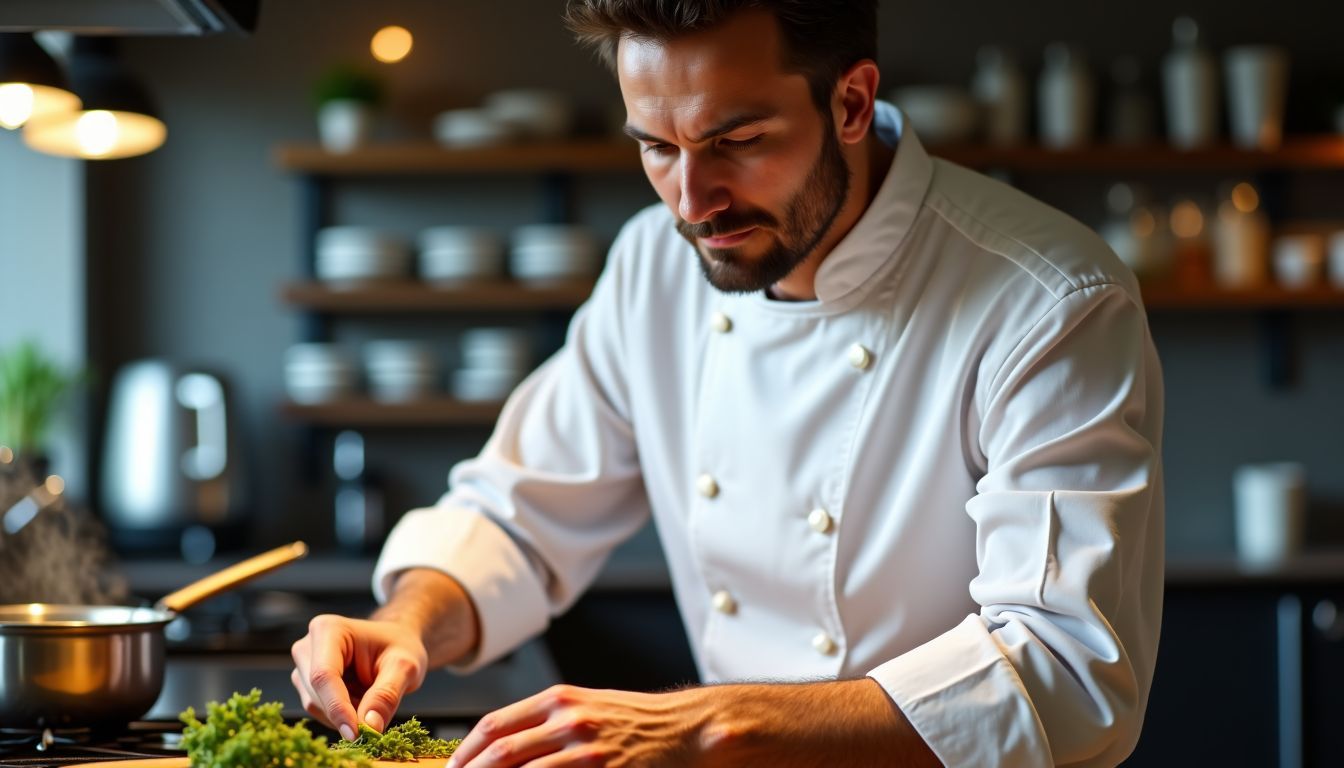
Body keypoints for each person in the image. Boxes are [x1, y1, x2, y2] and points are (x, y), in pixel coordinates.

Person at [291, 2, 1165, 766]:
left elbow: (1064, 671)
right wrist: (411, 622)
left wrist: (702, 730)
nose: (693, 201)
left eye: (737, 142)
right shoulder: (652, 267)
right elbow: (520, 515)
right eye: (656, 147)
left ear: (851, 101)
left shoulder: (1048, 300)